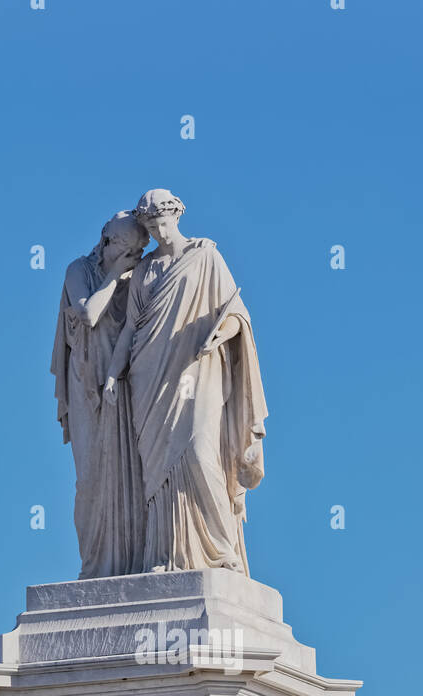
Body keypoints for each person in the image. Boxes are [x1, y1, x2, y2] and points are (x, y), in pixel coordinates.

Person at [104, 188, 267, 575]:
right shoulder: (143, 271)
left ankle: (220, 549)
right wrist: (113, 372)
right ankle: (165, 556)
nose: (158, 232)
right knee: (157, 469)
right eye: (150, 227)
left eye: (162, 223)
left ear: (176, 215)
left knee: (198, 451)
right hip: (149, 376)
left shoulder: (205, 257)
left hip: (198, 367)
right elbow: (129, 328)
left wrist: (220, 335)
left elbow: (235, 312)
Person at [51, 211, 149, 576]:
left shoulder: (136, 276)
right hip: (84, 382)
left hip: (121, 381)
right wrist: (114, 276)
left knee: (129, 474)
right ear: (108, 241)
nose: (135, 257)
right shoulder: (80, 271)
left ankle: (129, 561)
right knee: (91, 476)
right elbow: (88, 314)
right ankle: (94, 564)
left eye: (140, 250)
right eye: (128, 249)